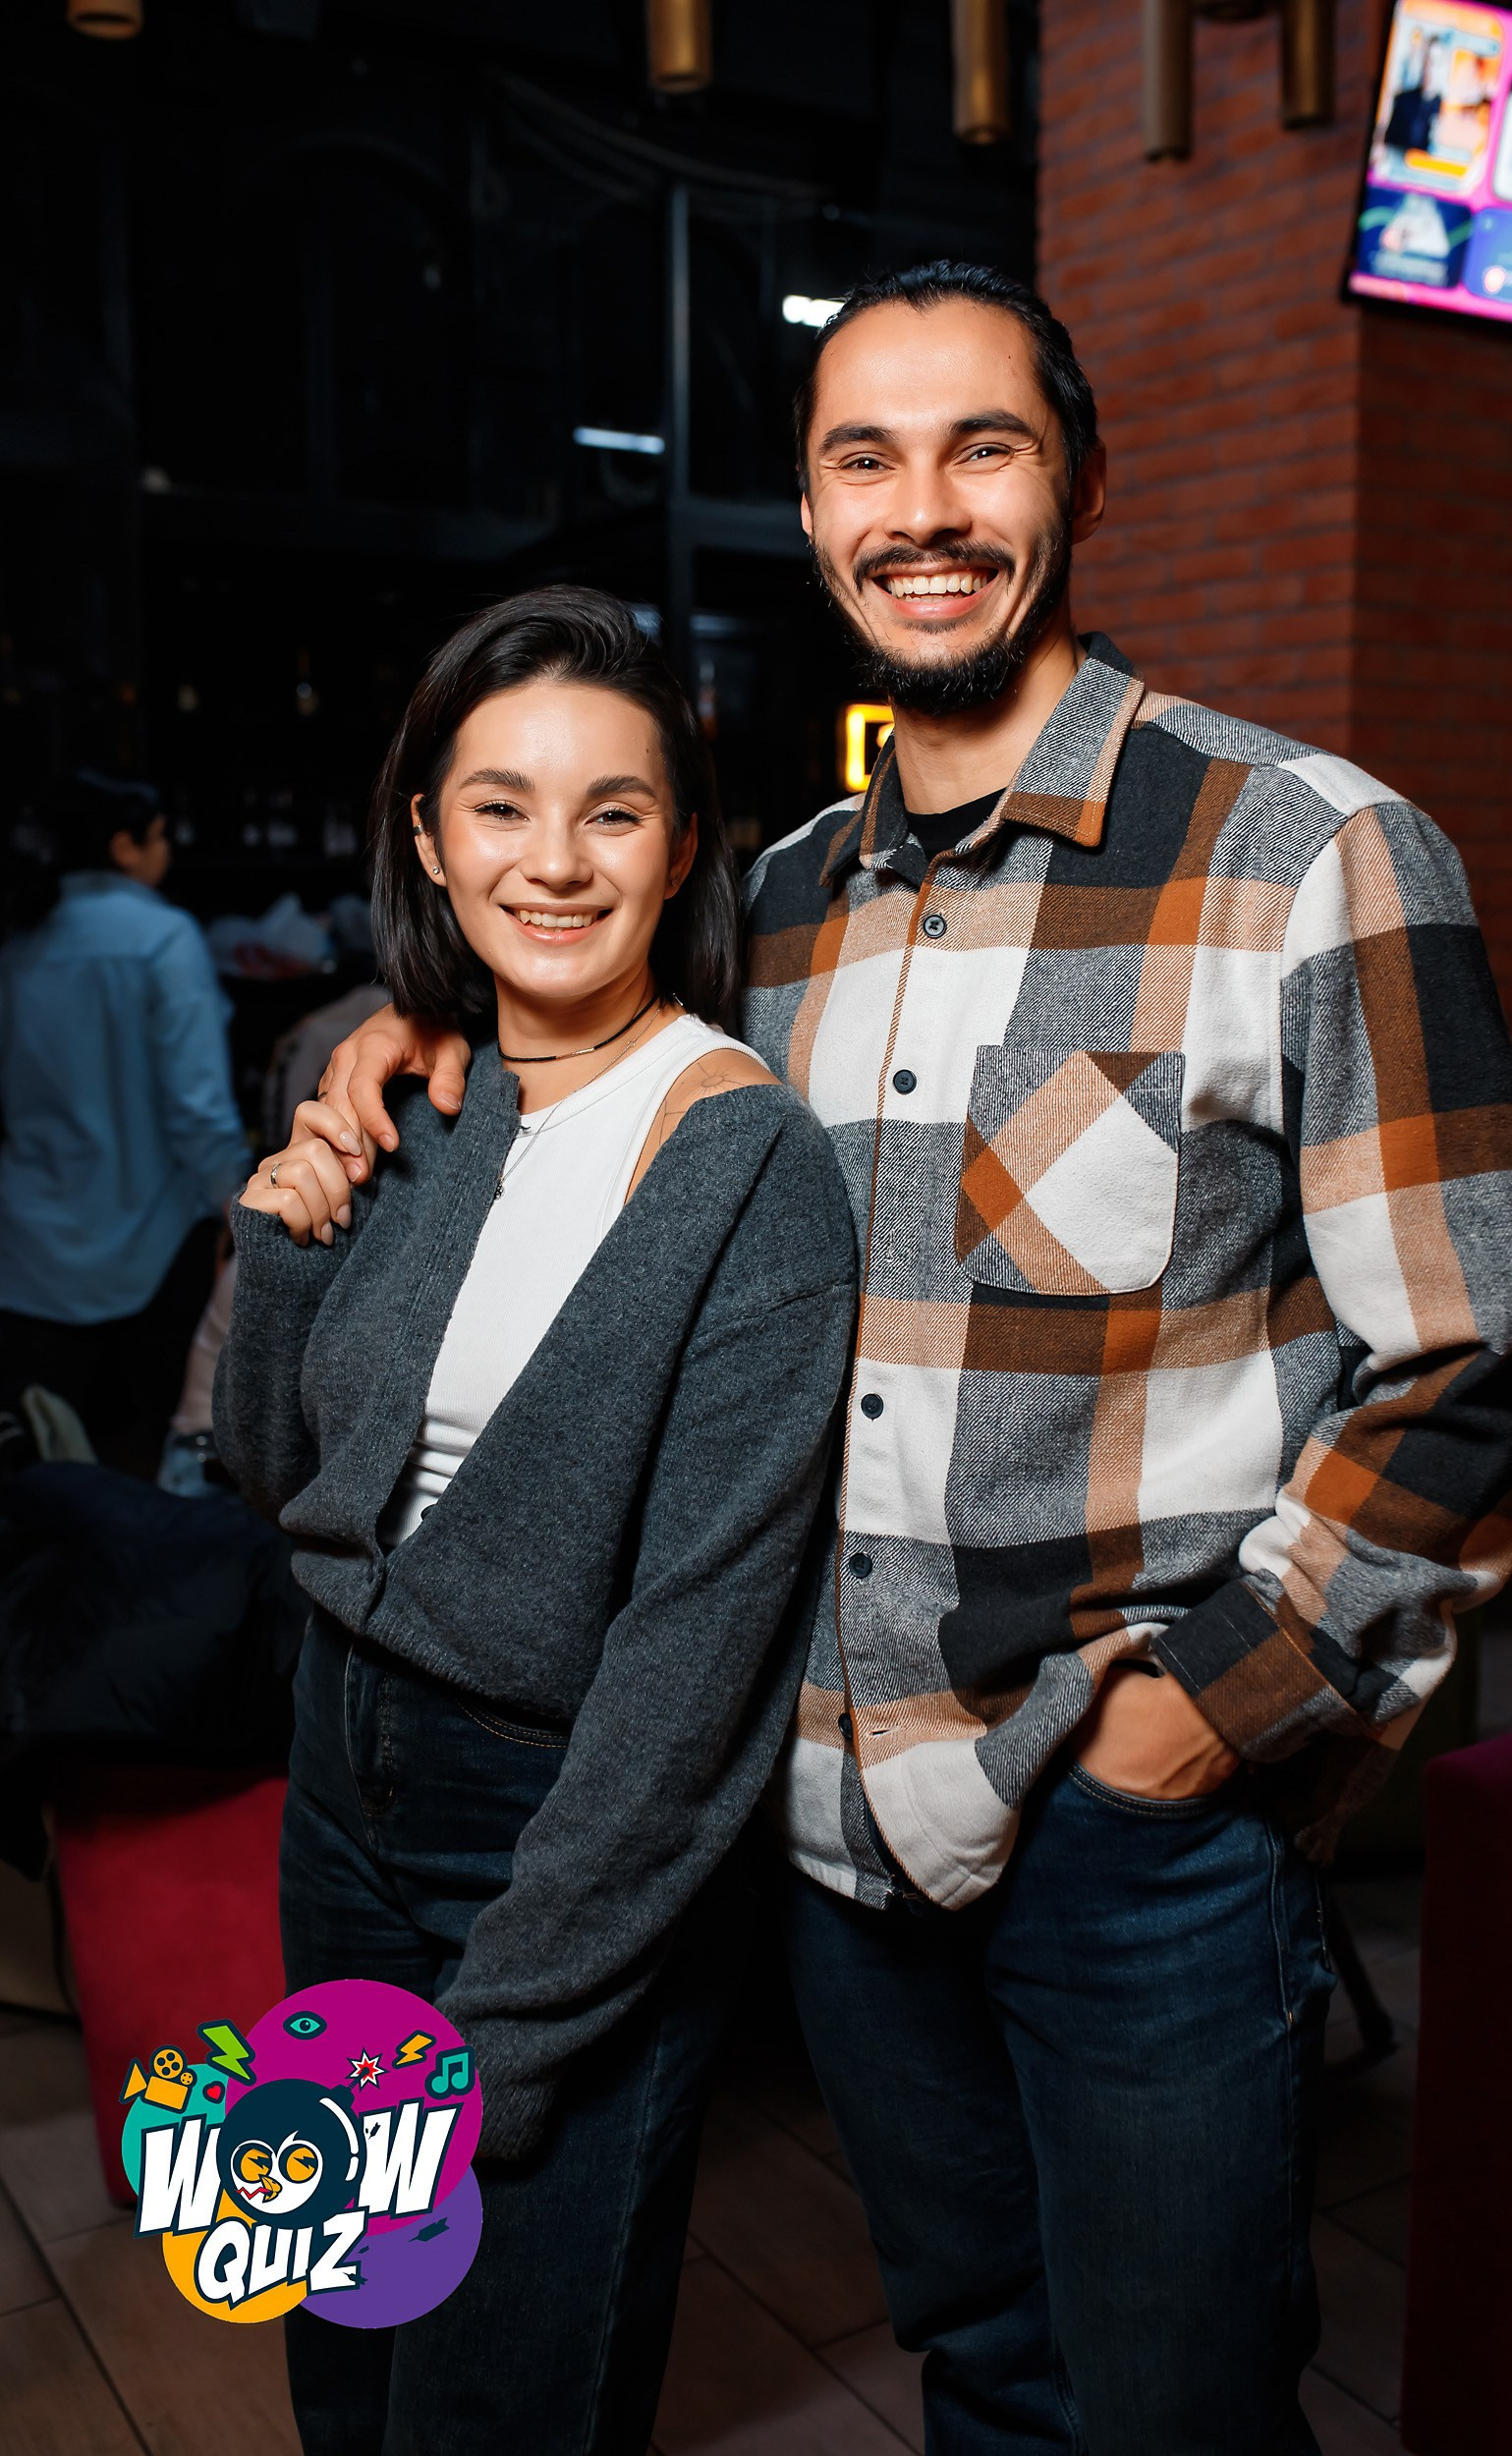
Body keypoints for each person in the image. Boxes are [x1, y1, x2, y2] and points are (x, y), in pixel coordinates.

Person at [303, 267, 1512, 2454]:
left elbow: (1479, 1347)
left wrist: (1197, 1725)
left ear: (1076, 477)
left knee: (1176, 2412)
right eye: (860, 460)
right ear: (810, 515)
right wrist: (405, 1033)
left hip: (1127, 1827)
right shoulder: (773, 904)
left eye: (980, 447)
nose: (922, 509)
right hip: (828, 1824)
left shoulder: (1307, 853)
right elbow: (571, 1022)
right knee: (982, 2371)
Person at [214, 586, 856, 2456]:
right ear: (428, 835)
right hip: (336, 1773)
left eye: (611, 810)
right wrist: (282, 1246)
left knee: (498, 2391)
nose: (552, 863)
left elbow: (698, 1664)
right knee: (345, 2348)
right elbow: (278, 1482)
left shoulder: (747, 1163)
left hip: (555, 1829)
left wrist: (499, 2045)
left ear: (683, 847)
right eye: (499, 806)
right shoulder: (421, 1094)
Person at [0, 771, 250, 1478]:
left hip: (27, 1245)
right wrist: (235, 1200)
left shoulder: (19, 938)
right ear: (123, 847)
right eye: (160, 837)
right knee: (145, 1473)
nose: (167, 850)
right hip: (150, 1243)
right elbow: (197, 1105)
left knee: (42, 1475)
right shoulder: (162, 937)